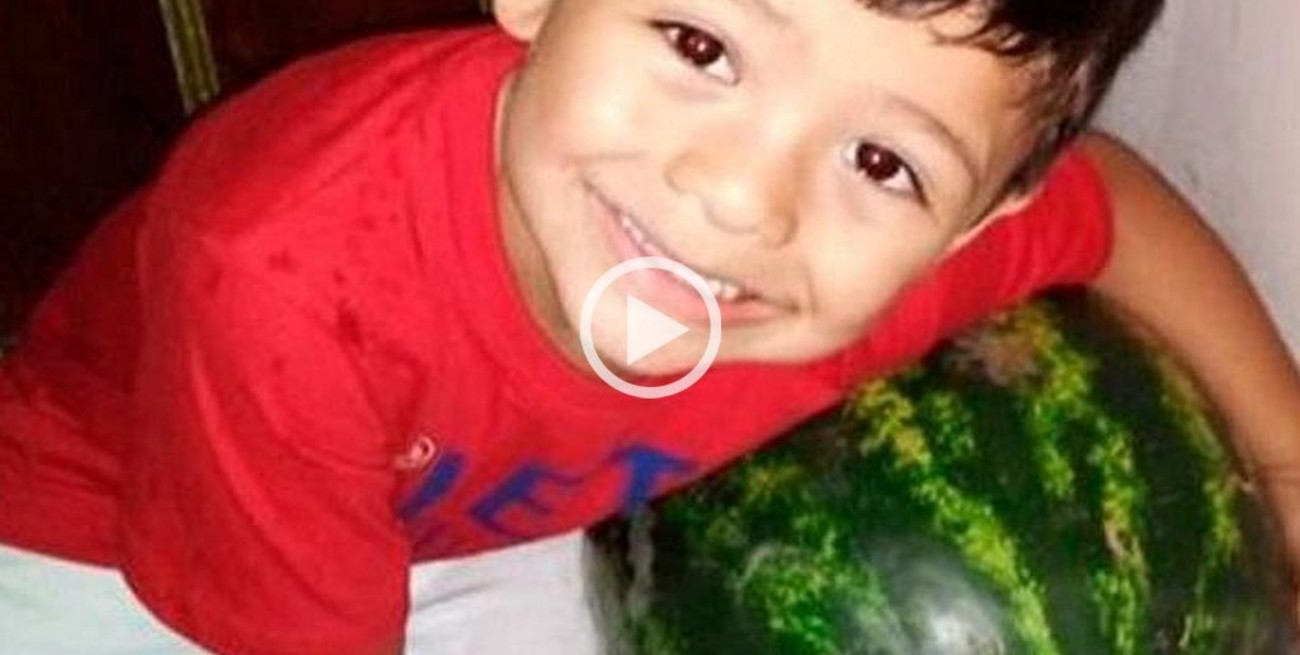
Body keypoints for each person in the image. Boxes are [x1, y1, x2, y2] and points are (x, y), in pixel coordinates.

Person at [2, 0, 1299, 653]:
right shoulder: (279, 266)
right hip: (116, 522)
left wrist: (1289, 478)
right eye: (698, 44)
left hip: (476, 515)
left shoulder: (886, 265)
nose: (740, 199)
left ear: (969, 227)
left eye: (880, 162)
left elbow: (1112, 209)